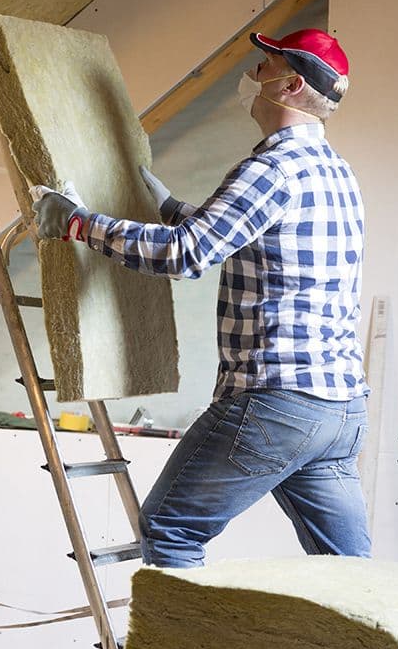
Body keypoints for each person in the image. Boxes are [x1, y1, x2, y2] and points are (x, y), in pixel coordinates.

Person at [31, 29, 370, 567]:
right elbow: (253, 244)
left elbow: (187, 256)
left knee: (169, 528)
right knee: (348, 569)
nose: (252, 76)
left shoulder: (272, 169)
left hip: (275, 401)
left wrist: (78, 223)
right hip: (339, 408)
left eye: (264, 66)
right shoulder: (335, 171)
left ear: (290, 84)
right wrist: (170, 209)